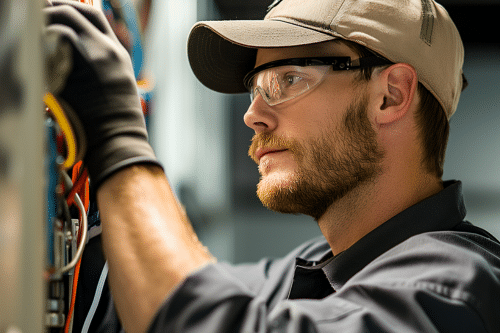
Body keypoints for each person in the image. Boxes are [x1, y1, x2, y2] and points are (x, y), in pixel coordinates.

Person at [43, 0, 500, 332]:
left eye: (287, 80)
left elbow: (197, 322)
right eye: (256, 86)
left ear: (391, 95)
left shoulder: (456, 291)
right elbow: (139, 301)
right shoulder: (313, 270)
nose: (253, 115)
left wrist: (116, 136)